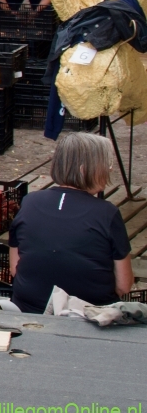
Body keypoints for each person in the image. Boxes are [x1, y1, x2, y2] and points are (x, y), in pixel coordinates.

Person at [9, 133, 133, 313]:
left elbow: (15, 268)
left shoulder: (29, 202)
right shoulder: (108, 213)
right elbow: (124, 285)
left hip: (28, 312)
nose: (110, 169)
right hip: (90, 317)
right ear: (84, 169)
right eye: (106, 163)